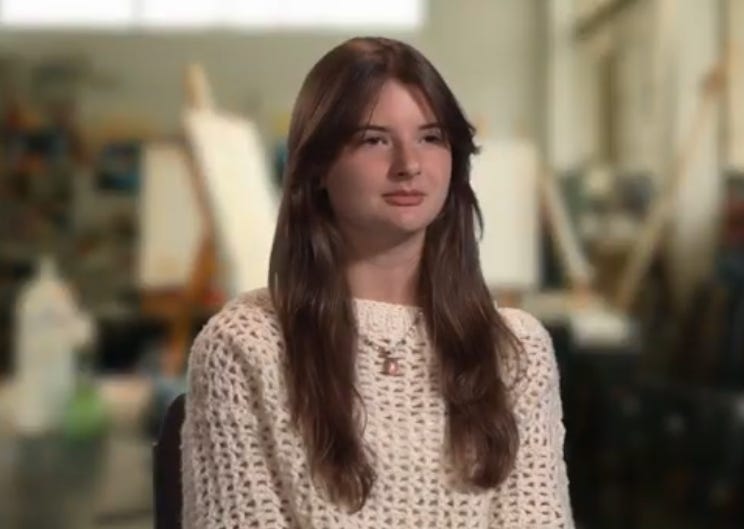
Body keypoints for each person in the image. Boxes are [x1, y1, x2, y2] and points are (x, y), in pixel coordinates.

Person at [181, 36, 574, 528]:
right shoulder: (244, 346)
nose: (409, 165)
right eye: (374, 140)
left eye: (430, 138)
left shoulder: (515, 349)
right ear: (319, 167)